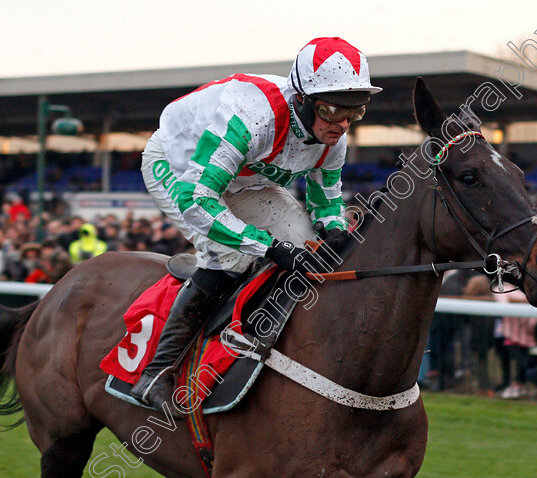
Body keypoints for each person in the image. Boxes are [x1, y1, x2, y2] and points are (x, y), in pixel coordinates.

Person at [130, 37, 382, 416]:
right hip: (181, 169)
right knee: (231, 256)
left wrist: (333, 230)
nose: (342, 124)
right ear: (303, 99)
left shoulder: (334, 138)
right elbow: (199, 201)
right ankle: (155, 373)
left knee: (310, 248)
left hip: (247, 181)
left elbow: (326, 199)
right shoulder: (252, 117)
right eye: (332, 110)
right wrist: (268, 247)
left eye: (355, 112)